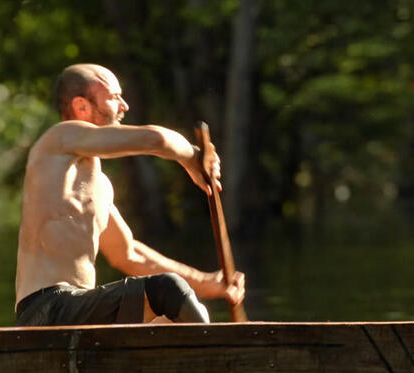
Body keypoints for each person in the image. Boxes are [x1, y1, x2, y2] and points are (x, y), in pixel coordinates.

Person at [15, 63, 245, 326]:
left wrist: (205, 283)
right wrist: (192, 156)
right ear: (81, 106)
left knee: (170, 319)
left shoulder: (99, 184)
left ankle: (204, 356)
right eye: (114, 97)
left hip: (79, 308)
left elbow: (129, 255)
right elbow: (155, 140)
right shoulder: (56, 139)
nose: (124, 105)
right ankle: (216, 357)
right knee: (167, 290)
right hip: (47, 308)